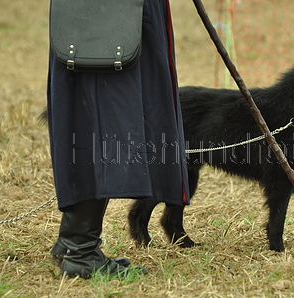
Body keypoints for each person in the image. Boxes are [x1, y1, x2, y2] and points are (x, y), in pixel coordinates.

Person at [46, 0, 189, 279]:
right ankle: (81, 249)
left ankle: (73, 239)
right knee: (103, 119)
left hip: (112, 14)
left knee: (95, 115)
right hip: (108, 14)